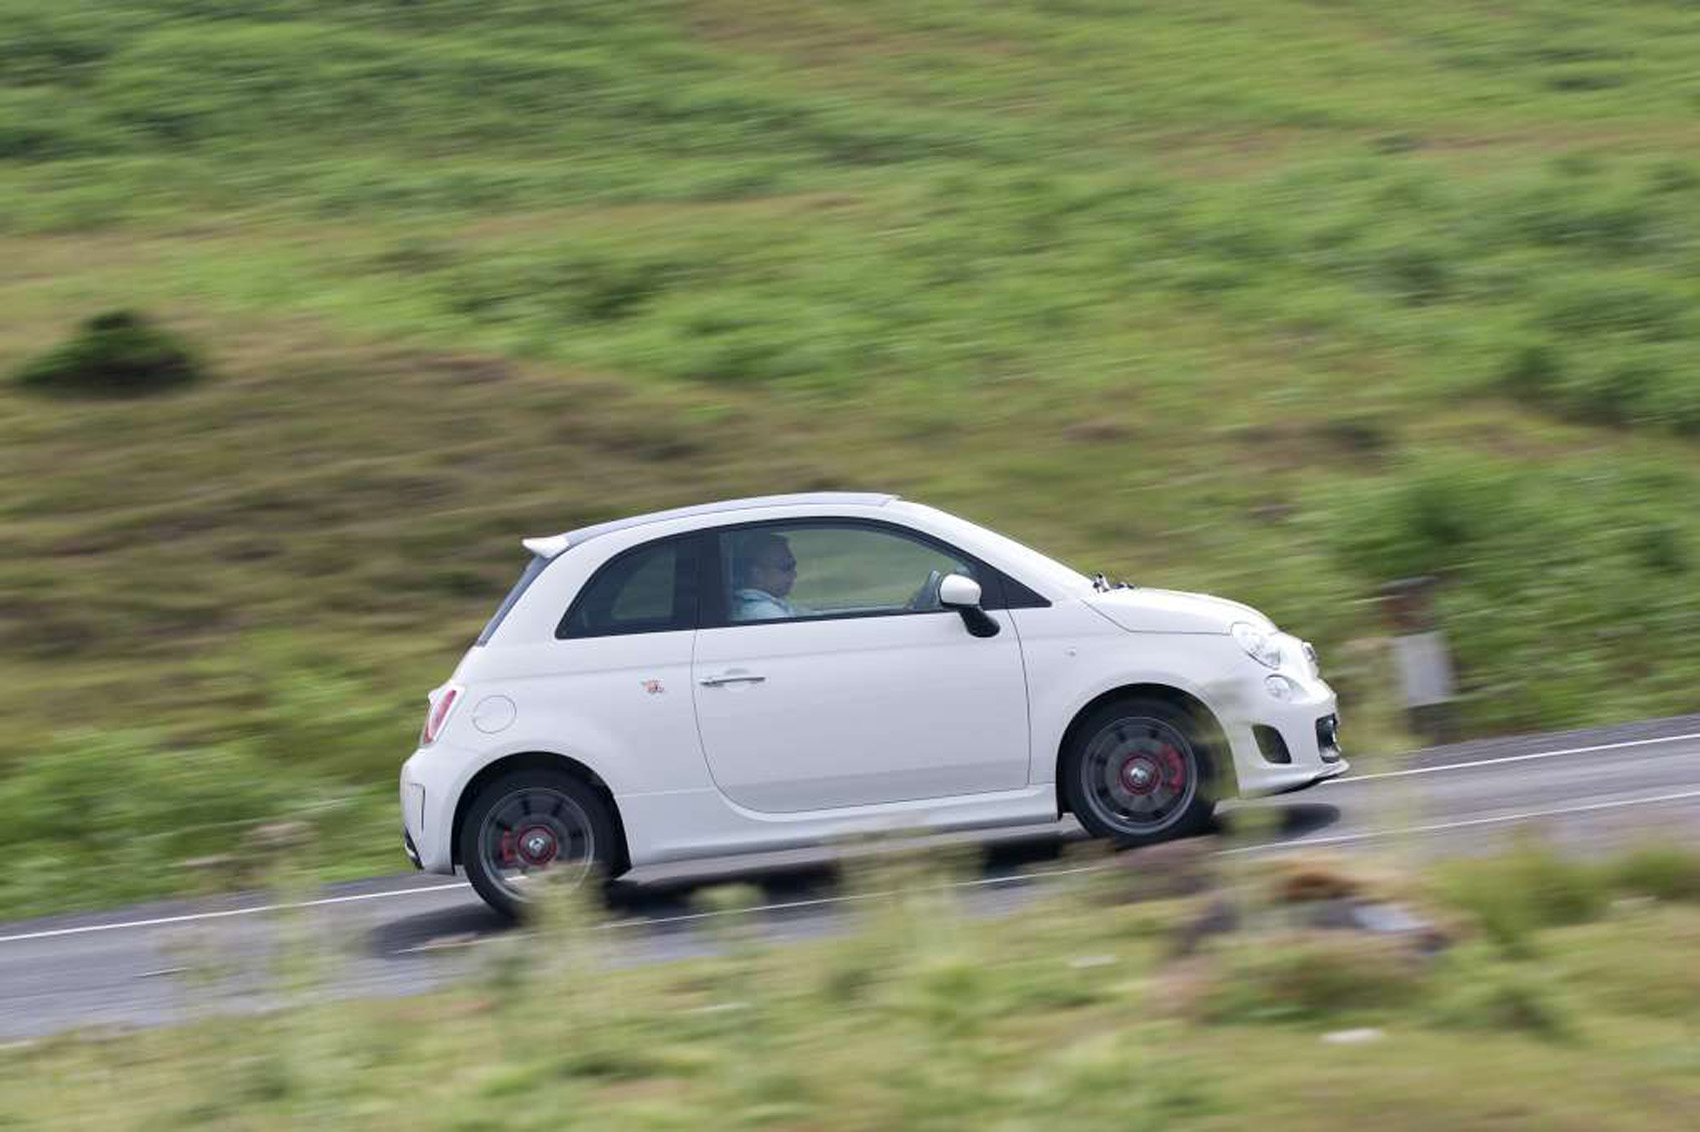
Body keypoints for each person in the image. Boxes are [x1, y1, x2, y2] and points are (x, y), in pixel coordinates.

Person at [730, 532, 806, 621]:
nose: (794, 574)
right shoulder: (763, 612)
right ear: (757, 574)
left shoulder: (773, 602)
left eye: (793, 566)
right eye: (786, 567)